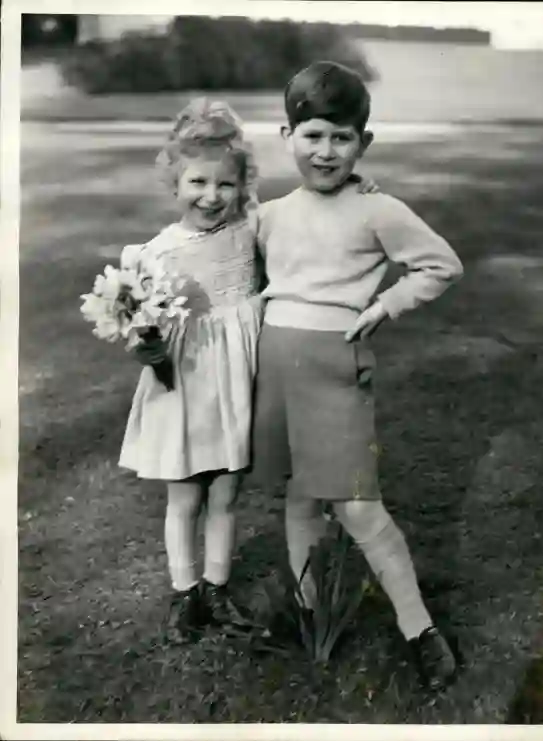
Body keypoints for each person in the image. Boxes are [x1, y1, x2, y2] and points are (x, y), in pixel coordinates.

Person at [118, 97, 377, 645]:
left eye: (225, 186)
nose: (212, 197)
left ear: (243, 187)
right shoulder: (152, 254)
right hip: (184, 385)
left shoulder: (250, 228)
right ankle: (185, 594)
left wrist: (360, 188)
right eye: (198, 183)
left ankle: (216, 587)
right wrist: (145, 347)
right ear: (174, 181)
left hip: (238, 381)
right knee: (186, 496)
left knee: (227, 494)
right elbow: (137, 327)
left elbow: (311, 206)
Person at [252, 61, 464, 690]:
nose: (325, 151)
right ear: (286, 134)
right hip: (276, 364)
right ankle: (306, 607)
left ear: (363, 144)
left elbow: (440, 264)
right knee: (297, 494)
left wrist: (384, 305)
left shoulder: (378, 210)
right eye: (312, 134)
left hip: (335, 367)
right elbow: (250, 281)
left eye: (341, 138)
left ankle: (418, 628)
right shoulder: (269, 214)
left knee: (359, 506)